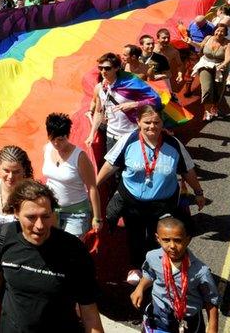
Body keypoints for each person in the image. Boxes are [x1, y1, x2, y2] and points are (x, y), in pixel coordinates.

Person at [0, 180, 104, 333]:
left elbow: (89, 312)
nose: (39, 226)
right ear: (16, 213)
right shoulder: (3, 236)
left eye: (45, 216)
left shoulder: (73, 251)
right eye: (31, 217)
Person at [97, 106, 206, 285]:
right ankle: (135, 267)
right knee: (135, 234)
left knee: (159, 236)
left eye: (156, 122)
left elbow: (188, 171)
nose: (152, 127)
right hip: (132, 200)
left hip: (163, 203)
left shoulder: (173, 144)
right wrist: (94, 185)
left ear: (163, 123)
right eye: (147, 122)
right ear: (138, 122)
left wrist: (199, 192)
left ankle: (158, 268)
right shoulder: (128, 140)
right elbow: (111, 165)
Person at [130, 216, 220, 333]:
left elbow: (211, 300)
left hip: (188, 321)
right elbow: (149, 274)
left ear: (187, 240)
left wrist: (212, 327)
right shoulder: (152, 257)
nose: (172, 246)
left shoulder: (201, 271)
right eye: (166, 240)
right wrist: (140, 288)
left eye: (178, 240)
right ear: (158, 238)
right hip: (159, 315)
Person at [84, 53, 161, 155]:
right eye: (100, 68)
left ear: (116, 68)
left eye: (107, 68)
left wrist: (133, 104)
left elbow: (155, 99)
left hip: (132, 134)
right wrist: (91, 134)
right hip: (111, 135)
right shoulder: (99, 88)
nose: (103, 71)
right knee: (114, 169)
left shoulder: (130, 84)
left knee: (134, 167)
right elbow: (99, 112)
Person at [42, 113, 102, 237]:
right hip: (52, 211)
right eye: (53, 139)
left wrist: (97, 217)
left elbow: (92, 187)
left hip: (76, 213)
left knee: (71, 250)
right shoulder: (47, 149)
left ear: (67, 136)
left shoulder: (80, 157)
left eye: (60, 139)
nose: (57, 143)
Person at [192, 24, 230, 121]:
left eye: (222, 31)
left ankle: (214, 107)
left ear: (226, 33)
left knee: (218, 90)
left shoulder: (228, 43)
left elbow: (229, 57)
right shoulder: (208, 38)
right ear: (214, 31)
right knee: (207, 88)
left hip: (220, 68)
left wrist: (222, 65)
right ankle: (207, 111)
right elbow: (200, 46)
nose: (219, 33)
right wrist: (191, 42)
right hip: (205, 64)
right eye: (218, 30)